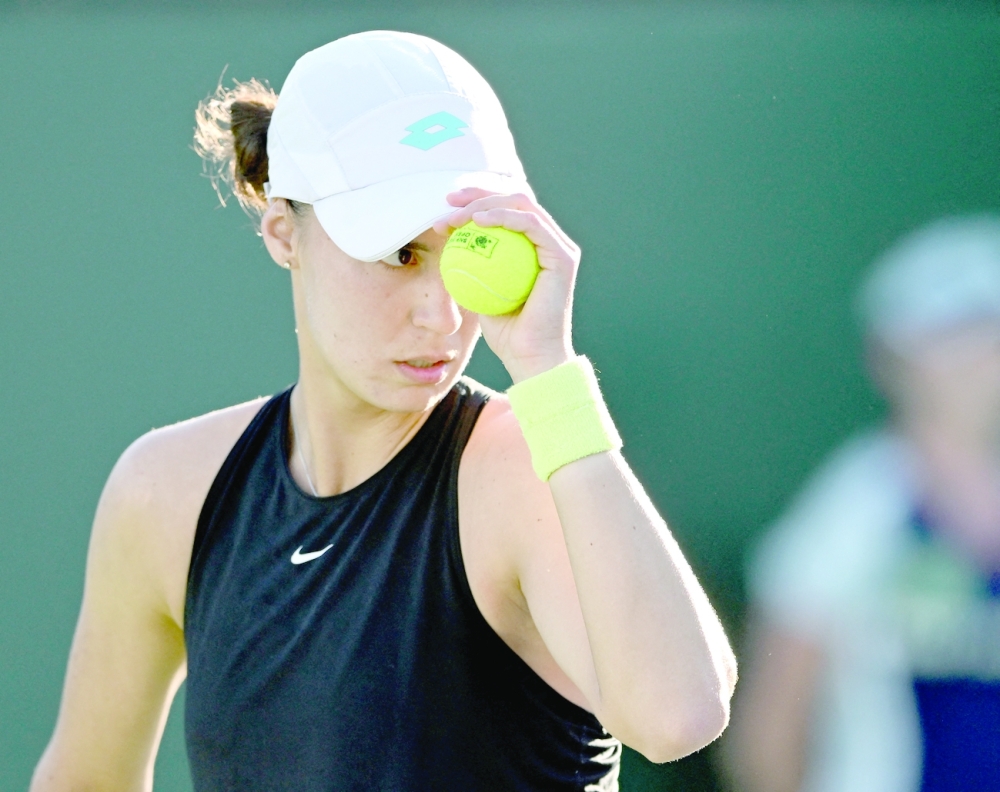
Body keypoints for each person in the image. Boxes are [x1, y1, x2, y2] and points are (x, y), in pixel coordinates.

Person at [30, 31, 736, 791]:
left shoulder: (522, 471)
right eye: (399, 253)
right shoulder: (165, 492)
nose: (442, 314)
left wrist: (548, 369)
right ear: (283, 234)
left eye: (467, 249)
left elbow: (679, 719)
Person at [722, 216, 1000, 792]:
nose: (981, 358)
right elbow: (769, 730)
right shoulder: (856, 506)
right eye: (952, 337)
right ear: (890, 358)